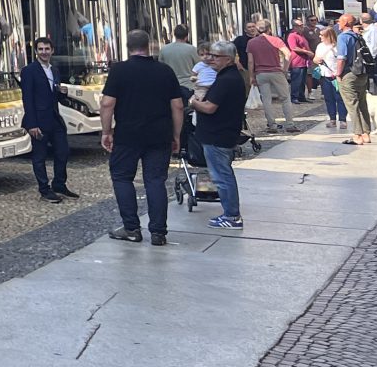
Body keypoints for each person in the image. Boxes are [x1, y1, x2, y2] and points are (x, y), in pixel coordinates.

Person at [100, 29, 185, 245]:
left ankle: (131, 228)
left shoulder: (119, 70)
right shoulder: (165, 71)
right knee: (155, 181)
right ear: (149, 46)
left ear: (127, 47)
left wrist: (106, 131)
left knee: (122, 177)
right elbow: (177, 106)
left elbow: (107, 104)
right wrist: (176, 135)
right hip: (159, 134)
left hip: (127, 134)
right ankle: (158, 233)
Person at [191, 40, 247, 230]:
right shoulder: (228, 77)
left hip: (218, 135)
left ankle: (232, 216)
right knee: (223, 174)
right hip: (222, 133)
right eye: (209, 55)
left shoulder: (226, 80)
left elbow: (209, 107)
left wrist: (193, 103)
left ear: (228, 59)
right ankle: (231, 214)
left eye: (216, 56)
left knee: (222, 176)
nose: (210, 59)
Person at [22, 36, 76, 203]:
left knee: (63, 151)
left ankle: (59, 184)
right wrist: (32, 124)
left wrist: (62, 93)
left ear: (52, 51)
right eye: (41, 49)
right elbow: (27, 99)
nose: (44, 52)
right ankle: (44, 189)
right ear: (36, 51)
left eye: (47, 49)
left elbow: (54, 96)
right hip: (38, 120)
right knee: (39, 156)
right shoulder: (29, 71)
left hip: (54, 118)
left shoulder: (55, 70)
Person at [244, 19, 294, 133]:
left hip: (260, 73)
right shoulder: (276, 40)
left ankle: (272, 125)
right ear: (269, 29)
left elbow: (250, 62)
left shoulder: (251, 42)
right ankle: (290, 124)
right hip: (276, 71)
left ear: (257, 29)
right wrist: (285, 69)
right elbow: (288, 54)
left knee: (266, 100)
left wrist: (251, 76)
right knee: (285, 98)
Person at [337, 14, 373, 145]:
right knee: (362, 103)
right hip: (362, 73)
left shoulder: (343, 37)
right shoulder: (357, 35)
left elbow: (342, 58)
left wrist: (338, 73)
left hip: (349, 73)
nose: (338, 23)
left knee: (352, 104)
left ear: (346, 23)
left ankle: (357, 135)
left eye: (340, 21)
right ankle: (366, 133)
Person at [315, 26, 347, 128]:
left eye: (322, 35)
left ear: (328, 36)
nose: (320, 37)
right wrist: (318, 60)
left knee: (340, 98)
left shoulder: (338, 46)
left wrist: (338, 72)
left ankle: (343, 120)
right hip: (325, 75)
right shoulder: (320, 46)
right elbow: (315, 59)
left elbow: (342, 60)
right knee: (329, 98)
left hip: (337, 75)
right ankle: (332, 119)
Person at [159, 24, 198, 95]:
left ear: (174, 35)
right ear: (186, 36)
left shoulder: (164, 49)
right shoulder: (192, 49)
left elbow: (160, 68)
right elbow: (199, 66)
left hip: (170, 86)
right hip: (188, 86)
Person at [287, 17, 316, 105]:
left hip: (304, 61)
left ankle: (301, 96)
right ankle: (294, 97)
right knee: (296, 80)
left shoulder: (301, 35)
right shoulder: (292, 35)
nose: (302, 27)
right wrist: (306, 52)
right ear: (294, 26)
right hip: (297, 61)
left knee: (302, 80)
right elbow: (294, 48)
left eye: (302, 25)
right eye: (299, 25)